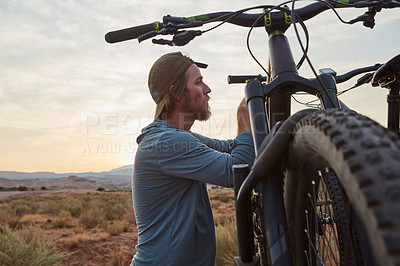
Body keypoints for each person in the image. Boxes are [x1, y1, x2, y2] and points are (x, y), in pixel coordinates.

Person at [131, 52, 255, 265]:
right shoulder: (165, 142)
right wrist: (245, 115)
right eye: (198, 82)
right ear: (177, 93)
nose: (207, 90)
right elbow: (239, 169)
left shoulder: (178, 138)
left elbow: (229, 148)